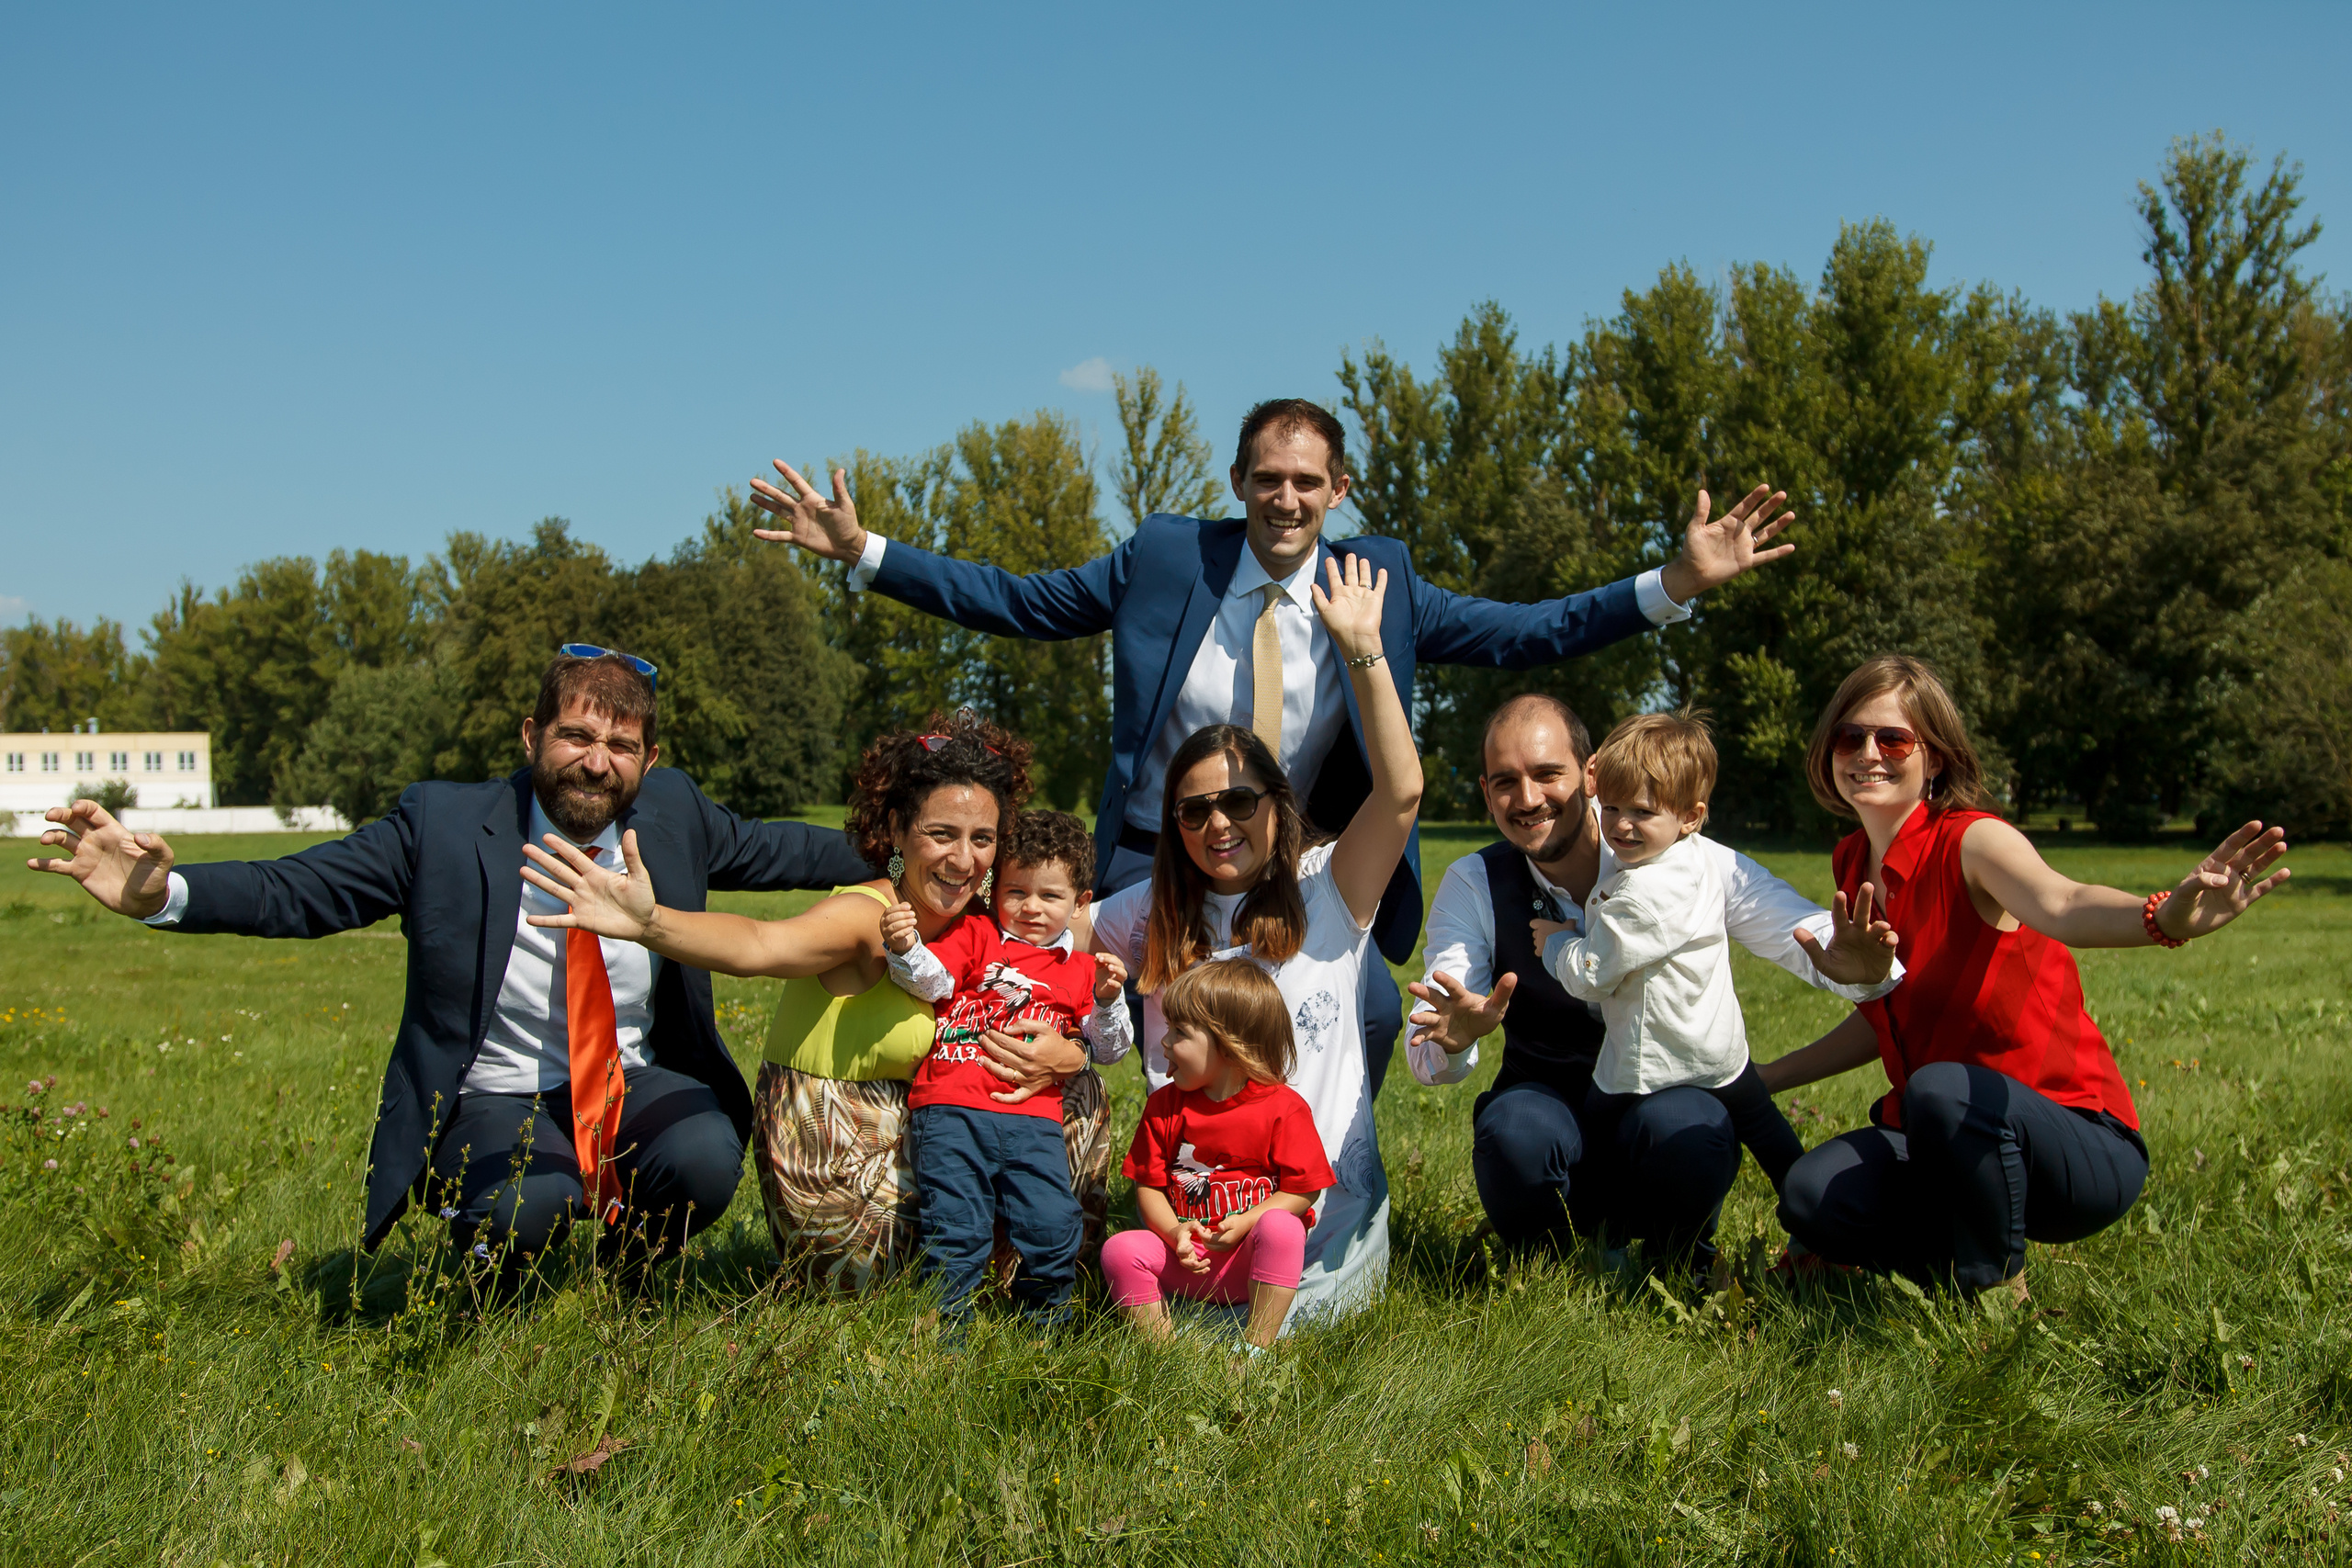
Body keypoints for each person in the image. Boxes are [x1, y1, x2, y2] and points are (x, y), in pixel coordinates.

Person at [749, 398, 1799, 1098]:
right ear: (1238, 482)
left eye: (1305, 481)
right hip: (1160, 851)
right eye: (1265, 478)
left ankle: (1310, 1183)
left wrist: (1676, 584)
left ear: (1338, 490)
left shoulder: (1376, 583)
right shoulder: (1166, 560)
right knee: (1075, 1007)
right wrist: (864, 550)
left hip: (1300, 860)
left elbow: (1528, 631)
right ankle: (1066, 1179)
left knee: (1372, 1012)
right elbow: (1020, 603)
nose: (1284, 499)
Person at [28, 649, 875, 1281]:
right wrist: (163, 893)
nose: (597, 760)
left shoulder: (674, 814)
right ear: (532, 736)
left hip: (626, 1077)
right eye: (576, 735)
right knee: (529, 1201)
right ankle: (490, 1294)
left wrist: (919, 859)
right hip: (493, 1092)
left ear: (649, 760)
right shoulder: (442, 824)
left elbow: (787, 851)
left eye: (621, 744)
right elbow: (302, 889)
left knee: (704, 1154)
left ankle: (629, 1276)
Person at [517, 711, 1105, 1294]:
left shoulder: (988, 924)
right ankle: (993, 1273)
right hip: (836, 1165)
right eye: (941, 834)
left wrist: (1073, 1054)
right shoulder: (867, 917)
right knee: (1054, 1107)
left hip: (926, 1135)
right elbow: (760, 943)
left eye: (982, 839)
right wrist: (650, 923)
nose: (963, 860)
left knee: (1080, 1083)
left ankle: (1043, 1280)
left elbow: (1074, 973)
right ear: (898, 829)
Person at [1762, 655, 2290, 1296]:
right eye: (1850, 736)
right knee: (1811, 1194)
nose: (1868, 753)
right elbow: (1887, 1016)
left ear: (1935, 757)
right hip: (1944, 1131)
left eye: (1892, 738)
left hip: (2075, 1142)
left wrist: (2162, 916)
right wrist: (1764, 1078)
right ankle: (1951, 1267)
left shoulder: (1973, 842)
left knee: (1941, 1090)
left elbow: (2063, 902)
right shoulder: (1852, 861)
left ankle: (1997, 1299)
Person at [1403, 693, 1901, 1273]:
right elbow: (1432, 1028)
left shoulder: (1688, 861)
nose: (1529, 798)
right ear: (1486, 793)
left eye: (1548, 774)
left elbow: (1794, 926)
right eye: (1506, 782)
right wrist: (1451, 1041)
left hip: (1661, 1100)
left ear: (1590, 774)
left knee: (1689, 1124)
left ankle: (1680, 1263)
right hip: (1549, 1098)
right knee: (1515, 1131)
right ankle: (1549, 1268)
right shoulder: (1475, 882)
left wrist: (1861, 966)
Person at [1084, 553, 1419, 1329]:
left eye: (1238, 800)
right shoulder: (1152, 911)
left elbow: (1400, 793)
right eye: (1193, 811)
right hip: (1196, 1234)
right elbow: (1035, 932)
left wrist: (1363, 654)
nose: (1218, 824)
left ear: (1277, 803)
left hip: (1317, 1232)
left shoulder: (1327, 888)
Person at [1529, 713, 1804, 1242]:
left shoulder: (1641, 895)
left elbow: (1592, 976)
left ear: (1691, 816)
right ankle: (1817, 1216)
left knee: (1596, 1137)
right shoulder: (1695, 860)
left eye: (1642, 811)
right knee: (1767, 1131)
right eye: (1611, 808)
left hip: (1649, 1059)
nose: (1620, 825)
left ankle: (1598, 1234)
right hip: (1720, 1050)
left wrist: (1556, 944)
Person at [877, 808, 1132, 1323]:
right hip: (951, 1108)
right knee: (957, 1228)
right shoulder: (977, 934)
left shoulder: (1083, 969)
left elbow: (1111, 1049)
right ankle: (943, 1335)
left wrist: (1107, 1001)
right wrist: (905, 947)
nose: (1031, 907)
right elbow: (933, 982)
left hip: (1034, 1120)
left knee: (1053, 1225)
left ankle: (1045, 1325)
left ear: (1081, 902)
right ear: (995, 891)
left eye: (1050, 896)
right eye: (1016, 892)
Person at [1103, 958, 1335, 1355]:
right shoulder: (1164, 1106)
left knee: (1282, 1228)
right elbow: (1149, 1188)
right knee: (1120, 1251)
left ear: (1228, 1046)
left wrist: (1246, 1222)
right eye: (1168, 1028)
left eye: (1180, 1032)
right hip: (1185, 1259)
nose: (1164, 1041)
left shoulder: (1283, 1108)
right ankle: (1163, 1353)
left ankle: (1256, 1350)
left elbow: (1303, 1190)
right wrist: (1175, 1233)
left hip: (1248, 1262)